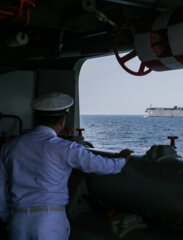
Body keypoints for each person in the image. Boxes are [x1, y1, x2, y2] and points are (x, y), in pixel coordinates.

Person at [0, 92, 133, 240]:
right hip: (48, 221)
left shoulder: (10, 147)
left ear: (36, 118)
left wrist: (7, 216)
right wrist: (121, 160)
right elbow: (102, 166)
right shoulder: (65, 148)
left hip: (18, 222)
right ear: (63, 120)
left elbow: (1, 187)